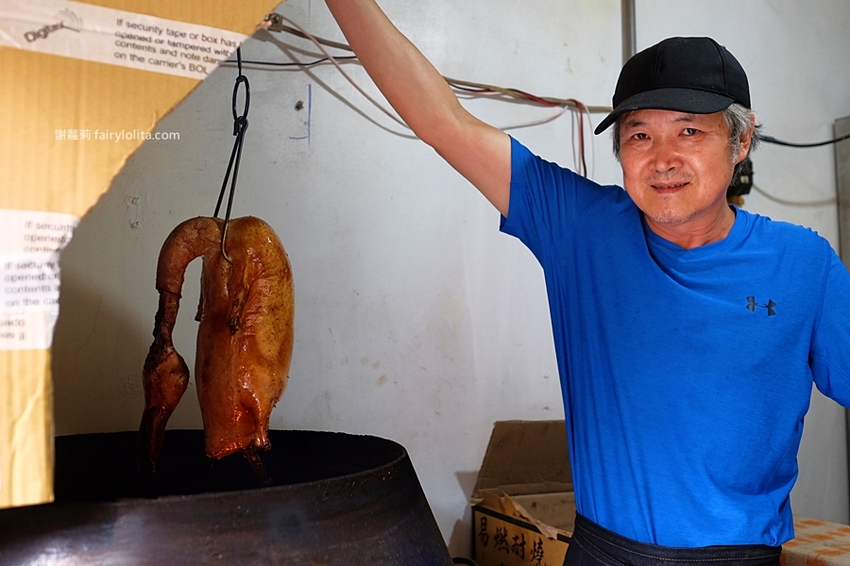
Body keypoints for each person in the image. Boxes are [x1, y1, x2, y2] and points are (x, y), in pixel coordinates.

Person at [323, 2, 850, 564]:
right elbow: (441, 121)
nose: (662, 158)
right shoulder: (581, 228)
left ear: (740, 143)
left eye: (690, 131)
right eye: (639, 135)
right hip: (603, 553)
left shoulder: (804, 265)